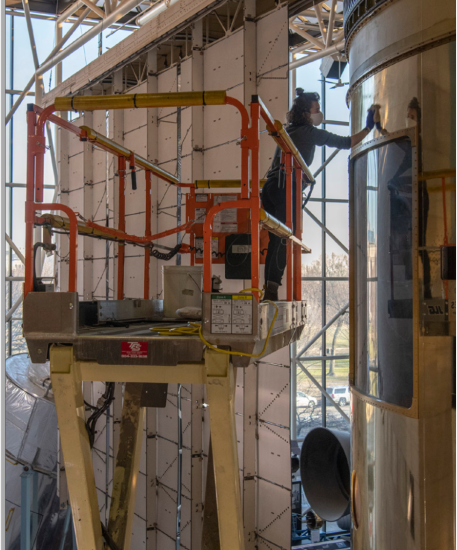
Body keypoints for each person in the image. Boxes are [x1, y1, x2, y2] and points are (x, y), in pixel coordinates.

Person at [262, 88, 376, 301]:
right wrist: (369, 127)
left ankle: (269, 289)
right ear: (306, 112)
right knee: (286, 237)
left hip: (270, 187)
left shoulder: (288, 131)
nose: (319, 113)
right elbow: (345, 142)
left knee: (275, 239)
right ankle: (271, 290)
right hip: (285, 188)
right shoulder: (308, 132)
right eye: (317, 109)